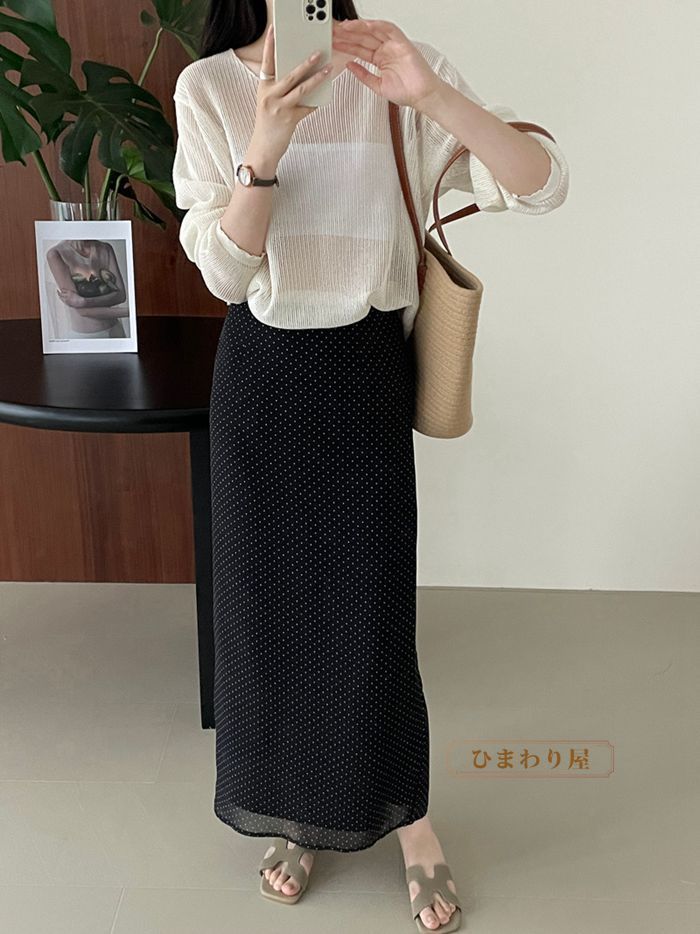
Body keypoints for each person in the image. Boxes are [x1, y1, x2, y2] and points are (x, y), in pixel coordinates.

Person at [172, 4, 569, 931]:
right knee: (266, 609)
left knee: (372, 608)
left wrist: (429, 95)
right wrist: (265, 143)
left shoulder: (400, 69)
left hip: (365, 367)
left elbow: (542, 185)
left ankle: (410, 820)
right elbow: (225, 276)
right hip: (262, 373)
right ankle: (297, 812)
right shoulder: (209, 87)